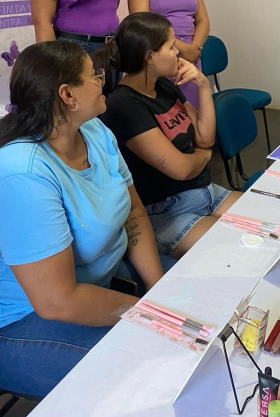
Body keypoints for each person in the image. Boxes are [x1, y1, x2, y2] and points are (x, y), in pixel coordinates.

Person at [0, 41, 163, 397]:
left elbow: (134, 212)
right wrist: (149, 314)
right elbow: (57, 301)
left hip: (97, 283)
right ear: (67, 94)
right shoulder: (23, 171)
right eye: (94, 74)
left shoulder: (95, 132)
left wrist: (159, 291)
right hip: (26, 319)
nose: (103, 80)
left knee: (193, 306)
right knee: (148, 376)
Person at [95, 12, 240, 259]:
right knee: (239, 245)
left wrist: (203, 85)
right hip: (167, 212)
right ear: (150, 57)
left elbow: (205, 138)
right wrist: (204, 156)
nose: (178, 52)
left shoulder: (162, 84)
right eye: (171, 46)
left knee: (265, 220)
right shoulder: (124, 105)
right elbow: (181, 169)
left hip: (205, 191)